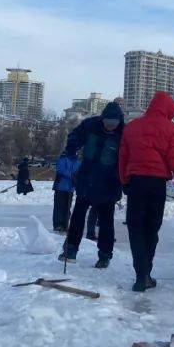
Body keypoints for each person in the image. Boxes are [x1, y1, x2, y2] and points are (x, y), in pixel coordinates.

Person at [119, 91, 174, 292]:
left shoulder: (132, 127)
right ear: (167, 110)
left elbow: (123, 157)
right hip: (157, 184)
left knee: (135, 228)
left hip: (136, 182)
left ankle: (140, 274)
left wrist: (124, 180)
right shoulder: (171, 129)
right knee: (151, 229)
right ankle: (146, 273)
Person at [58, 103, 125, 268]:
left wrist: (120, 178)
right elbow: (75, 136)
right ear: (102, 119)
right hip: (87, 179)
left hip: (109, 182)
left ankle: (104, 255)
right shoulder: (90, 125)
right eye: (107, 123)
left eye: (113, 124)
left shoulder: (125, 132)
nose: (110, 127)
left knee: (106, 222)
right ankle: (71, 249)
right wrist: (71, 148)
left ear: (119, 122)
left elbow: (128, 157)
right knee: (78, 216)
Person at [52, 154, 79, 232]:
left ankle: (65, 224)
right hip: (60, 187)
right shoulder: (62, 159)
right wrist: (72, 175)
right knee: (59, 207)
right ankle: (58, 224)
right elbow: (60, 170)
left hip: (70, 188)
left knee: (67, 207)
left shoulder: (78, 162)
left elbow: (79, 172)